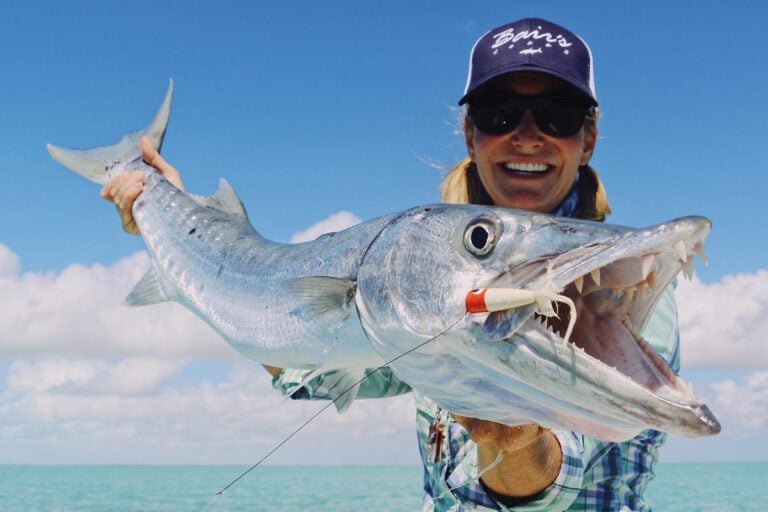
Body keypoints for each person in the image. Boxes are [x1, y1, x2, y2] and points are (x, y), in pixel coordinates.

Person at [102, 17, 680, 511]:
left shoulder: (622, 286)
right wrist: (176, 224)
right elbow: (312, 376)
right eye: (501, 112)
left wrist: (514, 438)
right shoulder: (425, 274)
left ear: (589, 138)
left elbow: (555, 476)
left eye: (557, 114)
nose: (527, 137)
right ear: (471, 133)